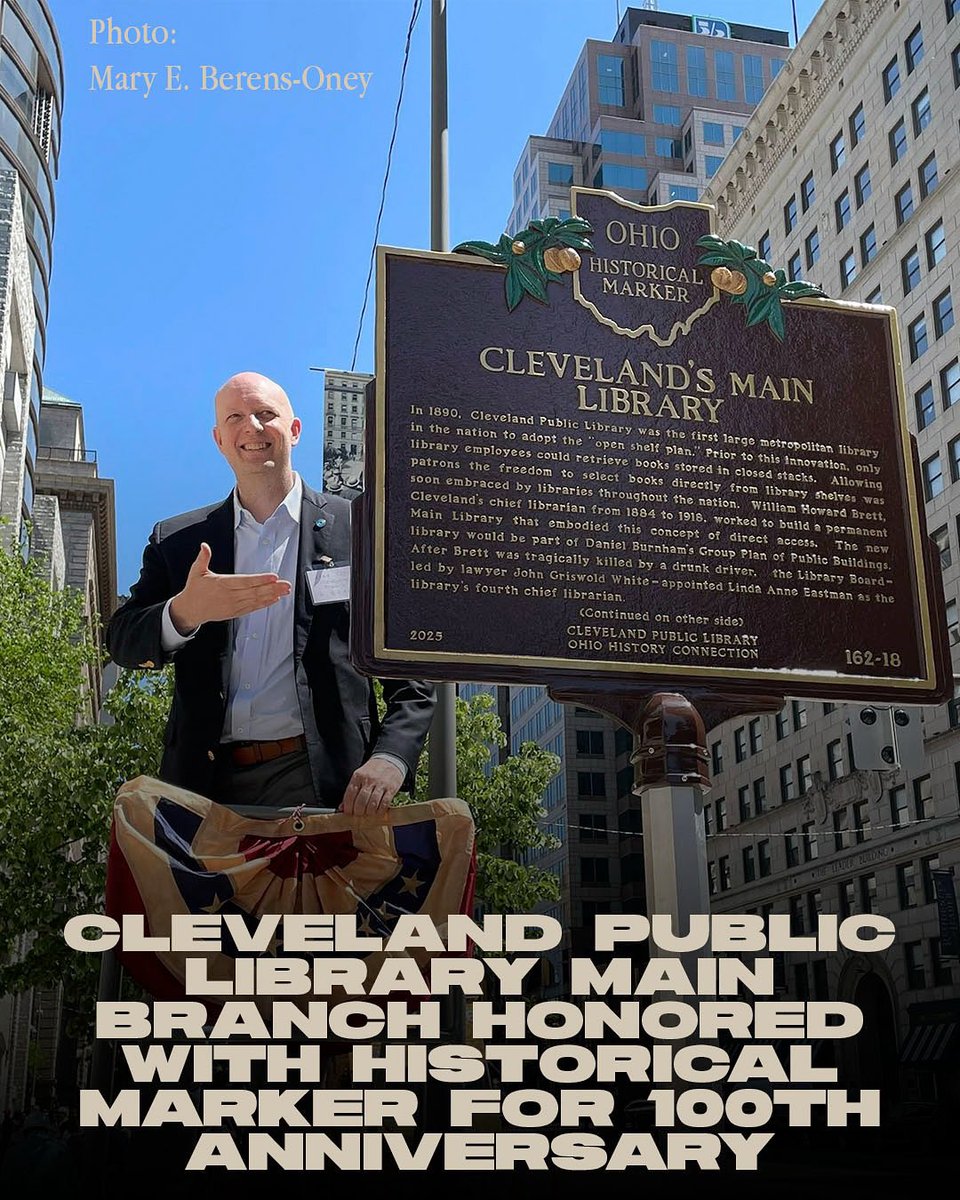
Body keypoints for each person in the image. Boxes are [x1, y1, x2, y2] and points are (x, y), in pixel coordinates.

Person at [106, 371, 436, 813]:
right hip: (203, 785)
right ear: (219, 439)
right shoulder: (177, 542)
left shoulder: (361, 532)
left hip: (326, 783)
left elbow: (411, 673)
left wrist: (391, 758)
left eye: (266, 414)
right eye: (236, 418)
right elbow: (121, 642)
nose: (252, 428)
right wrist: (183, 612)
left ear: (295, 430)